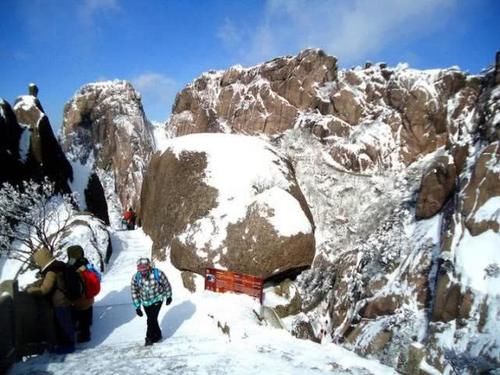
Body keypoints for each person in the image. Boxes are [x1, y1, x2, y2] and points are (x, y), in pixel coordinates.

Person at [27, 246, 75, 354]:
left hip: (60, 302)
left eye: (38, 262)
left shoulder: (51, 271)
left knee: (63, 325)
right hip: (67, 299)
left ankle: (68, 346)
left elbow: (45, 289)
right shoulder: (60, 265)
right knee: (67, 323)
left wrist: (31, 290)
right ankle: (69, 344)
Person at [131, 257, 172, 346]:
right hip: (145, 302)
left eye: (145, 270)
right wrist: (137, 307)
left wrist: (168, 296)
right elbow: (134, 292)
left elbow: (166, 284)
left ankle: (148, 338)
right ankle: (158, 335)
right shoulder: (136, 278)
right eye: (141, 271)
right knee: (153, 319)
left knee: (151, 319)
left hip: (157, 299)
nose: (143, 273)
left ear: (149, 267)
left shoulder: (158, 274)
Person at [66, 245, 94, 343]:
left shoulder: (72, 266)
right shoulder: (84, 262)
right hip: (89, 293)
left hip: (81, 297)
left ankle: (84, 336)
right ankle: (88, 327)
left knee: (81, 317)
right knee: (87, 313)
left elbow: (71, 278)